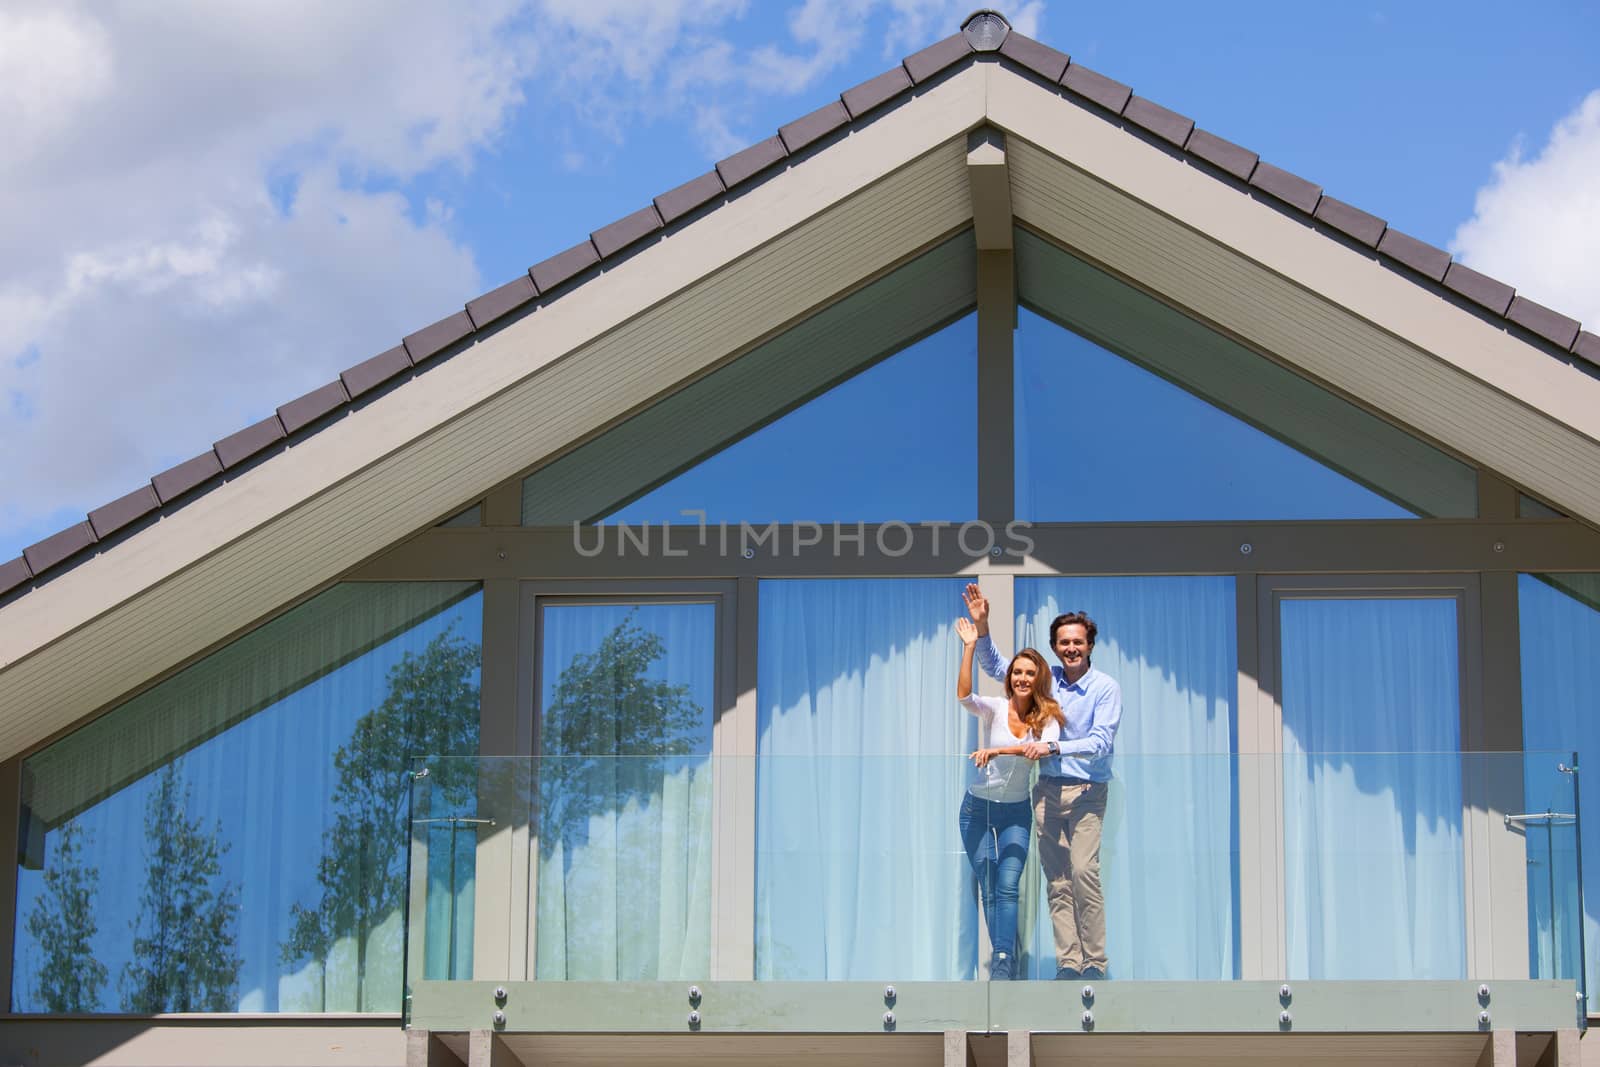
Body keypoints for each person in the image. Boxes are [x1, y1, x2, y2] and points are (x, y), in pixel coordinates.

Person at [963, 583, 1123, 981]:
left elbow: (1102, 742)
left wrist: (1052, 748)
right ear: (1055, 646)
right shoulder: (1045, 681)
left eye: (1078, 642)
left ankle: (1095, 964)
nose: (1071, 648)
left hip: (1087, 791)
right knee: (1058, 880)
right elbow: (999, 667)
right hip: (1048, 791)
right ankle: (1069, 962)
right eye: (1064, 642)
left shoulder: (1104, 688)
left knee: (1084, 871)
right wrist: (982, 630)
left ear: (1089, 645)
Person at [953, 616, 1063, 981]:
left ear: (1038, 679)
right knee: (988, 883)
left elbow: (1040, 749)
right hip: (977, 810)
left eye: (1029, 673)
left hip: (1015, 812)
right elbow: (964, 696)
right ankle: (1002, 960)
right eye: (1017, 672)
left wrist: (996, 752)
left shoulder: (1047, 718)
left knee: (1008, 883)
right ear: (1010, 677)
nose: (1021, 678)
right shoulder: (997, 708)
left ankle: (1004, 960)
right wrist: (970, 647)